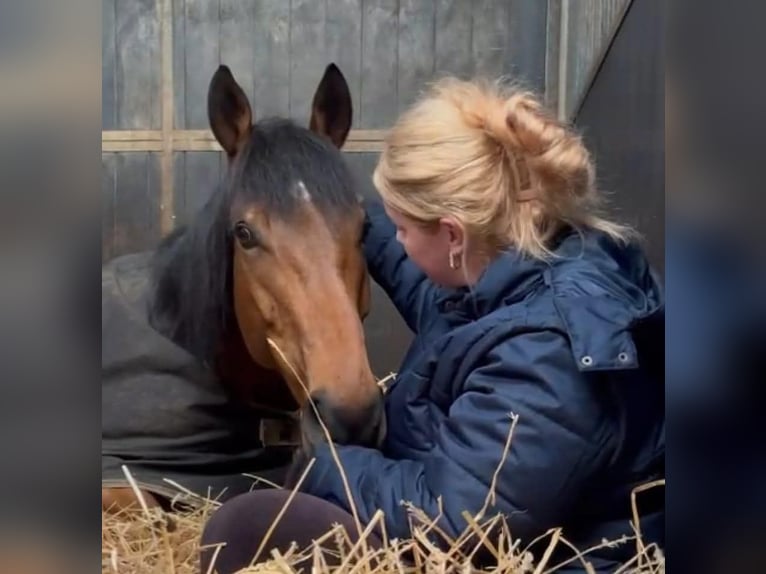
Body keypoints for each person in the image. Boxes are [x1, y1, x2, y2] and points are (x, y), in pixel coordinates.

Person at [200, 77, 665, 573]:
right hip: (465, 513)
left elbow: (456, 523)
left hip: (511, 554)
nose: (390, 237)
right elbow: (419, 280)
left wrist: (325, 465)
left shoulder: (551, 352)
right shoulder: (507, 270)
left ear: (452, 235)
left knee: (246, 528)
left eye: (399, 227)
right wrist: (315, 203)